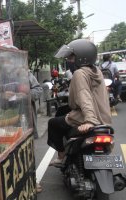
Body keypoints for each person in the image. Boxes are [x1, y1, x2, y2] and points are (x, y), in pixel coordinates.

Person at [48, 39, 112, 167]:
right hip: (104, 118)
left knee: (53, 123)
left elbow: (84, 96)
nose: (69, 61)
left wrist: (89, 120)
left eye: (71, 57)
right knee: (64, 113)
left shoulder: (79, 73)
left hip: (89, 116)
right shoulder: (96, 71)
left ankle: (61, 157)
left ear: (82, 58)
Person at [28, 71, 43, 139]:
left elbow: (38, 90)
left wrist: (26, 93)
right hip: (5, 118)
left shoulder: (26, 74)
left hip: (26, 116)